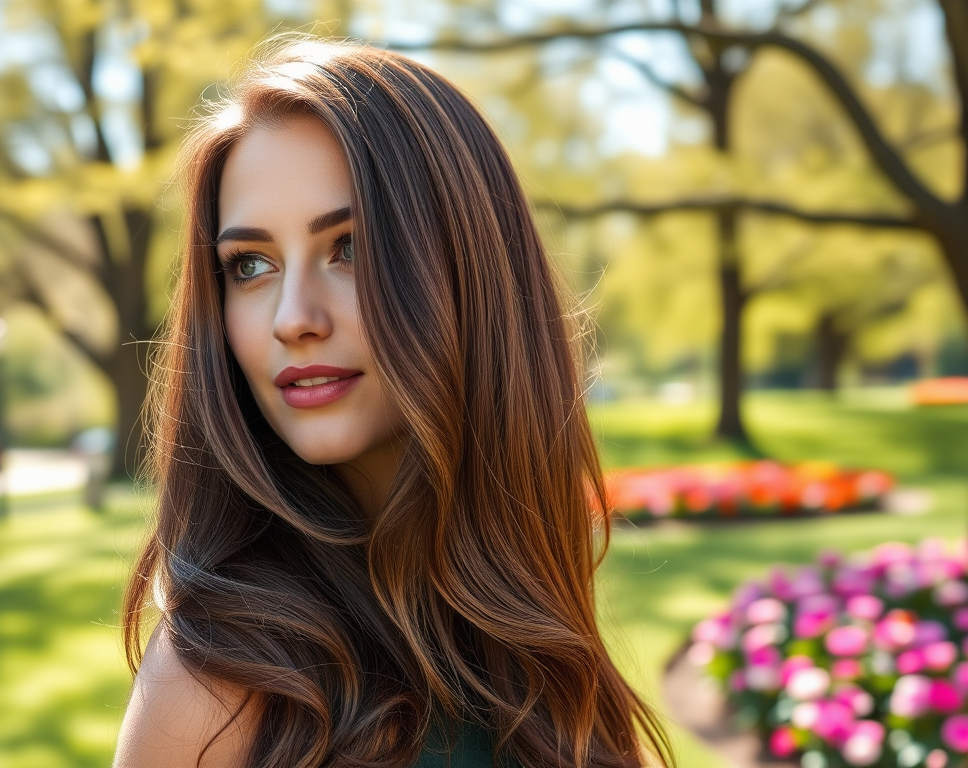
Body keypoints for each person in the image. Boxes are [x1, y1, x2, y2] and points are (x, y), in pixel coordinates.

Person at [114, 37, 671, 768]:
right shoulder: (220, 682)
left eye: (349, 248)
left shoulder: (523, 620)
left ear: (468, 266)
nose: (293, 317)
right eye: (250, 265)